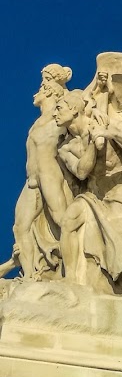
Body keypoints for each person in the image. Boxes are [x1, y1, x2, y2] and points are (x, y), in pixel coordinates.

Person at [55, 90, 122, 297]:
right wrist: (95, 144)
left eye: (59, 108)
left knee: (120, 226)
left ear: (74, 109)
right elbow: (82, 172)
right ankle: (70, 280)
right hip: (94, 193)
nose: (54, 114)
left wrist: (110, 133)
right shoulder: (66, 148)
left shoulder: (107, 122)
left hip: (121, 186)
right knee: (69, 220)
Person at [0, 65, 76, 280]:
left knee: (63, 220)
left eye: (41, 87)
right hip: (32, 179)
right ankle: (30, 275)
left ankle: (76, 269)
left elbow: (81, 111)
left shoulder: (60, 115)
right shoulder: (38, 122)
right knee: (20, 227)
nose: (36, 92)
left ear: (50, 90)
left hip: (49, 173)